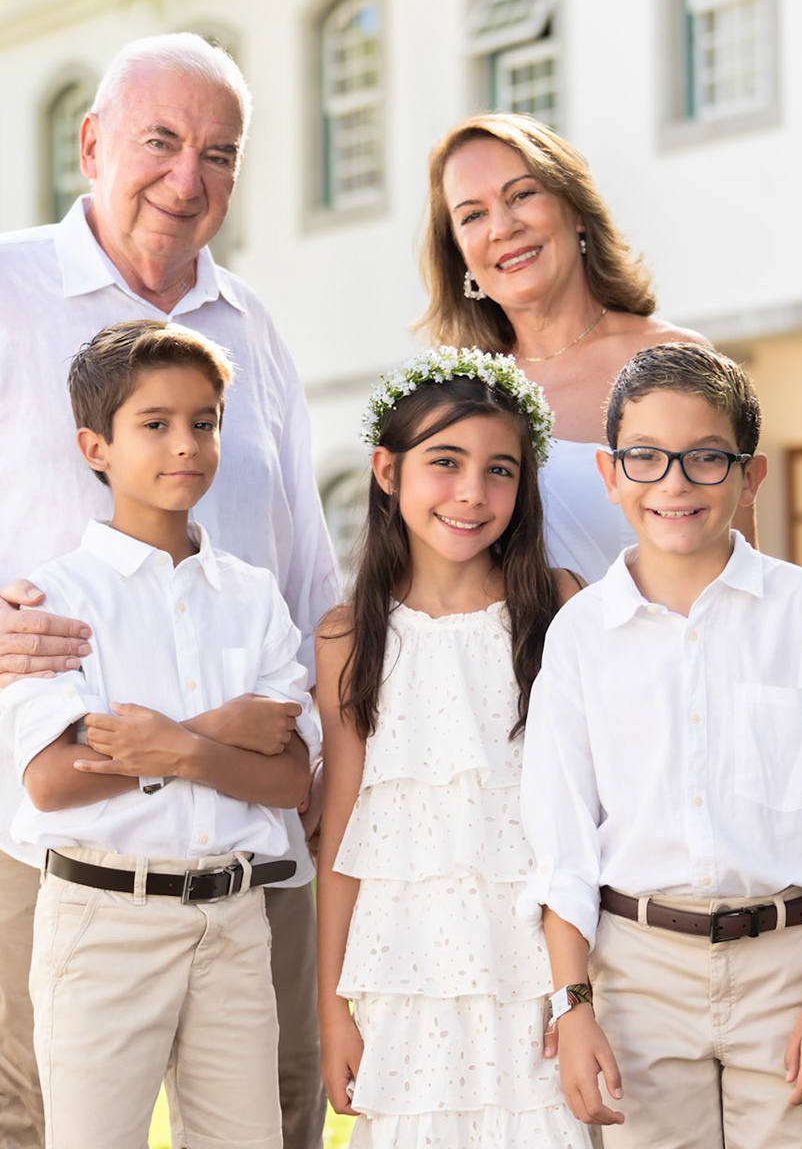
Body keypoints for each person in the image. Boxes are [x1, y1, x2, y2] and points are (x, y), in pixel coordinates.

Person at [0, 33, 338, 1149]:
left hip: (251, 823)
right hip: (31, 819)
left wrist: (320, 761)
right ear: (93, 142)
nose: (186, 177)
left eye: (219, 152)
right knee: (42, 1120)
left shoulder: (252, 329)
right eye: (160, 142)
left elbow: (307, 569)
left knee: (280, 1106)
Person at [521, 344, 802, 1148]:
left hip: (788, 968)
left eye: (705, 459)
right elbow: (562, 850)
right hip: (638, 972)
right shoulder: (582, 636)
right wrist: (574, 1007)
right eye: (646, 459)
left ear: (749, 475)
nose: (675, 484)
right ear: (610, 472)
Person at [0, 321, 316, 1148]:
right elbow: (53, 780)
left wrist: (162, 745)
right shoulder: (53, 603)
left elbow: (290, 780)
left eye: (204, 422)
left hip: (232, 920)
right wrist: (213, 741)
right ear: (94, 446)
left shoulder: (251, 597)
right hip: (106, 922)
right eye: (156, 424)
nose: (187, 445)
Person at [313, 347, 592, 1148]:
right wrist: (334, 1009)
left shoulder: (557, 607)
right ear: (387, 472)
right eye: (446, 463)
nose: (473, 492)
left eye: (500, 470)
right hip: (407, 972)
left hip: (533, 964)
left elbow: (586, 806)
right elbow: (342, 832)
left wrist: (579, 993)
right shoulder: (347, 637)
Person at [418, 113, 740, 580]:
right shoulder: (455, 395)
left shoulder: (676, 360)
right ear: (459, 253)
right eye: (472, 215)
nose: (502, 227)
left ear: (576, 211)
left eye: (522, 195)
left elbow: (742, 571)